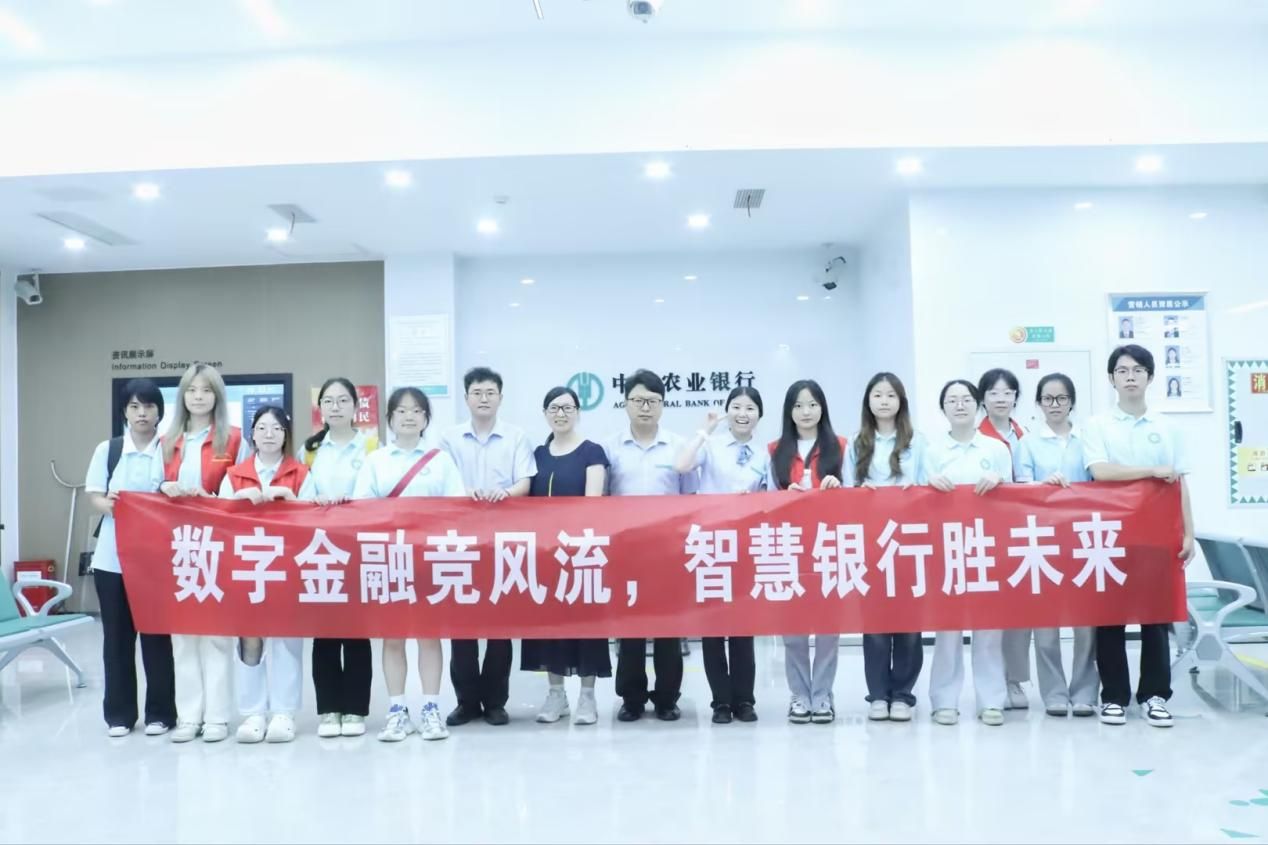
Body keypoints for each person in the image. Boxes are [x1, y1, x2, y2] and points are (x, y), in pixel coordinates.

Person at [1083, 345, 1194, 727]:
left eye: (1137, 370)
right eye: (1122, 370)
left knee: (1155, 617)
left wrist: (1189, 532)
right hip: (1110, 534)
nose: (1130, 376)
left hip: (1158, 535)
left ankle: (1154, 695)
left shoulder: (1167, 427)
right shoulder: (1098, 425)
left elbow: (1179, 484)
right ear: (1111, 378)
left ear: (1150, 376)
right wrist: (1150, 470)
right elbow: (1100, 471)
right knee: (1109, 617)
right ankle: (1114, 696)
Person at [353, 387, 466, 742]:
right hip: (388, 558)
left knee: (429, 637)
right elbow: (361, 506)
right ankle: (397, 711)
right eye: (401, 411)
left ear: (426, 419)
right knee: (393, 638)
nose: (408, 416)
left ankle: (431, 708)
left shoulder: (440, 461)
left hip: (431, 560)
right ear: (389, 418)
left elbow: (457, 506)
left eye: (417, 411)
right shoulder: (376, 460)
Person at [440, 367, 537, 727]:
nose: (483, 398)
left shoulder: (516, 437)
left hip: (503, 540)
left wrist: (505, 493)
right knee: (461, 625)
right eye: (477, 392)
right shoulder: (449, 439)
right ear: (466, 398)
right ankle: (466, 702)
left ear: (500, 398)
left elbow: (525, 482)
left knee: (500, 624)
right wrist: (464, 493)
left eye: (490, 392)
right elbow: (442, 484)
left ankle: (496, 702)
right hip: (460, 542)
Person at [603, 369, 698, 722]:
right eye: (639, 400)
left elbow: (690, 498)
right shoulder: (610, 448)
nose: (645, 407)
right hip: (626, 550)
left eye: (653, 401)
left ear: (662, 405)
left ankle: (667, 698)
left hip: (667, 551)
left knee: (668, 629)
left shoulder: (678, 446)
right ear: (626, 403)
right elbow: (602, 499)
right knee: (630, 628)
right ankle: (631, 698)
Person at [85, 378, 177, 738]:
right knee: (117, 639)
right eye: (134, 407)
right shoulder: (108, 450)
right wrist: (111, 505)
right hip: (112, 560)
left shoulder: (170, 450)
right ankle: (119, 715)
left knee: (156, 638)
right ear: (124, 411)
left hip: (157, 561)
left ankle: (161, 714)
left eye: (149, 406)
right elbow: (94, 495)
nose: (142, 413)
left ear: (159, 412)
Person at [673, 386, 770, 725]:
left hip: (745, 547)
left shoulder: (764, 454)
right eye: (736, 407)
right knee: (713, 628)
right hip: (711, 545)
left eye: (750, 407)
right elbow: (681, 465)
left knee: (743, 628)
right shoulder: (711, 445)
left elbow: (770, 499)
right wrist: (706, 429)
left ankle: (744, 700)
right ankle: (720, 702)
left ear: (760, 414)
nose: (743, 413)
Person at [161, 363, 245, 744]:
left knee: (216, 635)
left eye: (206, 390)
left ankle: (217, 717)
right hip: (176, 546)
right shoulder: (167, 440)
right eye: (192, 390)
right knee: (182, 636)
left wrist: (211, 499)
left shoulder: (234, 439)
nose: (198, 397)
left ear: (217, 396)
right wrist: (164, 489)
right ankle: (188, 716)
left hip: (218, 546)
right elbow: (152, 489)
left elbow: (243, 491)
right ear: (182, 396)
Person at [923, 379, 1013, 727]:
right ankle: (944, 700)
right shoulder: (932, 451)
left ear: (978, 405)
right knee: (947, 629)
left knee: (989, 629)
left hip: (988, 547)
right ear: (943, 408)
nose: (959, 405)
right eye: (952, 400)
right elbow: (915, 499)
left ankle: (991, 700)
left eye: (966, 399)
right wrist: (929, 485)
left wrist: (999, 482)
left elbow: (1016, 499)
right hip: (945, 547)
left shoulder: (996, 449)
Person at [520, 386, 611, 726]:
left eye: (568, 408)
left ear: (578, 412)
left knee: (586, 624)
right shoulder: (537, 455)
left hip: (581, 552)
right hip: (545, 555)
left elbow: (593, 503)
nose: (561, 414)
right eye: (554, 408)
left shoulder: (592, 452)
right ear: (545, 413)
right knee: (549, 625)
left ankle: (587, 696)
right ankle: (556, 694)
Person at [219, 406, 308, 744]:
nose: (269, 434)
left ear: (286, 435)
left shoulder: (300, 472)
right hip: (247, 566)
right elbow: (218, 521)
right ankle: (253, 712)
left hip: (288, 567)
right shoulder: (234, 475)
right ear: (252, 434)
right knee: (249, 640)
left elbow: (315, 521)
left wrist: (292, 500)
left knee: (286, 639)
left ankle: (284, 712)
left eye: (277, 428)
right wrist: (237, 500)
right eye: (262, 427)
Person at [1012, 374, 1098, 718]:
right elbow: (1018, 492)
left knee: (1086, 624)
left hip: (1084, 541)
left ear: (1072, 402)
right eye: (1047, 399)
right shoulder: (1028, 444)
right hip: (1043, 542)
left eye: (1062, 398)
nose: (1055, 405)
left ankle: (1085, 691)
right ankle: (1054, 693)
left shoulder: (1087, 440)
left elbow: (1099, 483)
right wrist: (1041, 485)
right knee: (1046, 626)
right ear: (1038, 404)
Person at [299, 377, 378, 738]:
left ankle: (356, 709)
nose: (335, 407)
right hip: (321, 549)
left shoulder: (373, 446)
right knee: (325, 632)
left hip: (359, 548)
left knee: (358, 632)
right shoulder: (310, 450)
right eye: (328, 401)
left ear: (355, 407)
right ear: (320, 409)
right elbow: (301, 495)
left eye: (343, 400)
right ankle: (329, 709)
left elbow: (380, 494)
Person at [846, 373, 926, 723]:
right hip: (870, 544)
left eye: (890, 395)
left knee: (909, 623)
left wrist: (915, 489)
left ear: (900, 401)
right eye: (877, 395)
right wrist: (859, 492)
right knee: (876, 624)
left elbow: (927, 484)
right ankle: (878, 694)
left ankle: (903, 695)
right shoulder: (856, 442)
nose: (883, 401)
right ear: (868, 401)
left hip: (909, 541)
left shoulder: (917, 441)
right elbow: (846, 491)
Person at [766, 379, 846, 724]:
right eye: (798, 405)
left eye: (812, 404)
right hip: (790, 548)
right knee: (794, 629)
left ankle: (823, 694)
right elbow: (766, 501)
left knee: (828, 628)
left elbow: (856, 495)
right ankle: (799, 694)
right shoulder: (775, 450)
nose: (806, 412)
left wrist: (838, 488)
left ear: (822, 408)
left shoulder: (840, 446)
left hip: (829, 546)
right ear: (789, 411)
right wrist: (785, 497)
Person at [976, 367, 1032, 711]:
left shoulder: (1026, 436)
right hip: (983, 536)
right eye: (993, 393)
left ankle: (1014, 681)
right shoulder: (975, 436)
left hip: (1020, 534)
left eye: (1008, 393)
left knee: (1018, 614)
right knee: (990, 615)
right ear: (982, 399)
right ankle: (993, 684)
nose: (1001, 399)